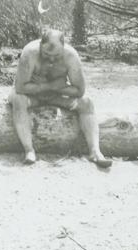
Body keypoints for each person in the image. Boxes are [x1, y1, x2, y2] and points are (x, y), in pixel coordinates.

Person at [8, 29, 112, 168]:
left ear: (63, 47)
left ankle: (95, 151)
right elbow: (20, 87)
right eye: (46, 54)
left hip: (55, 96)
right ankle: (29, 150)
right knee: (18, 99)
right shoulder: (30, 53)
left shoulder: (71, 56)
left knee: (87, 103)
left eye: (56, 55)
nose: (51, 59)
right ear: (40, 45)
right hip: (31, 96)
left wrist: (50, 88)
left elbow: (79, 90)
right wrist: (52, 85)